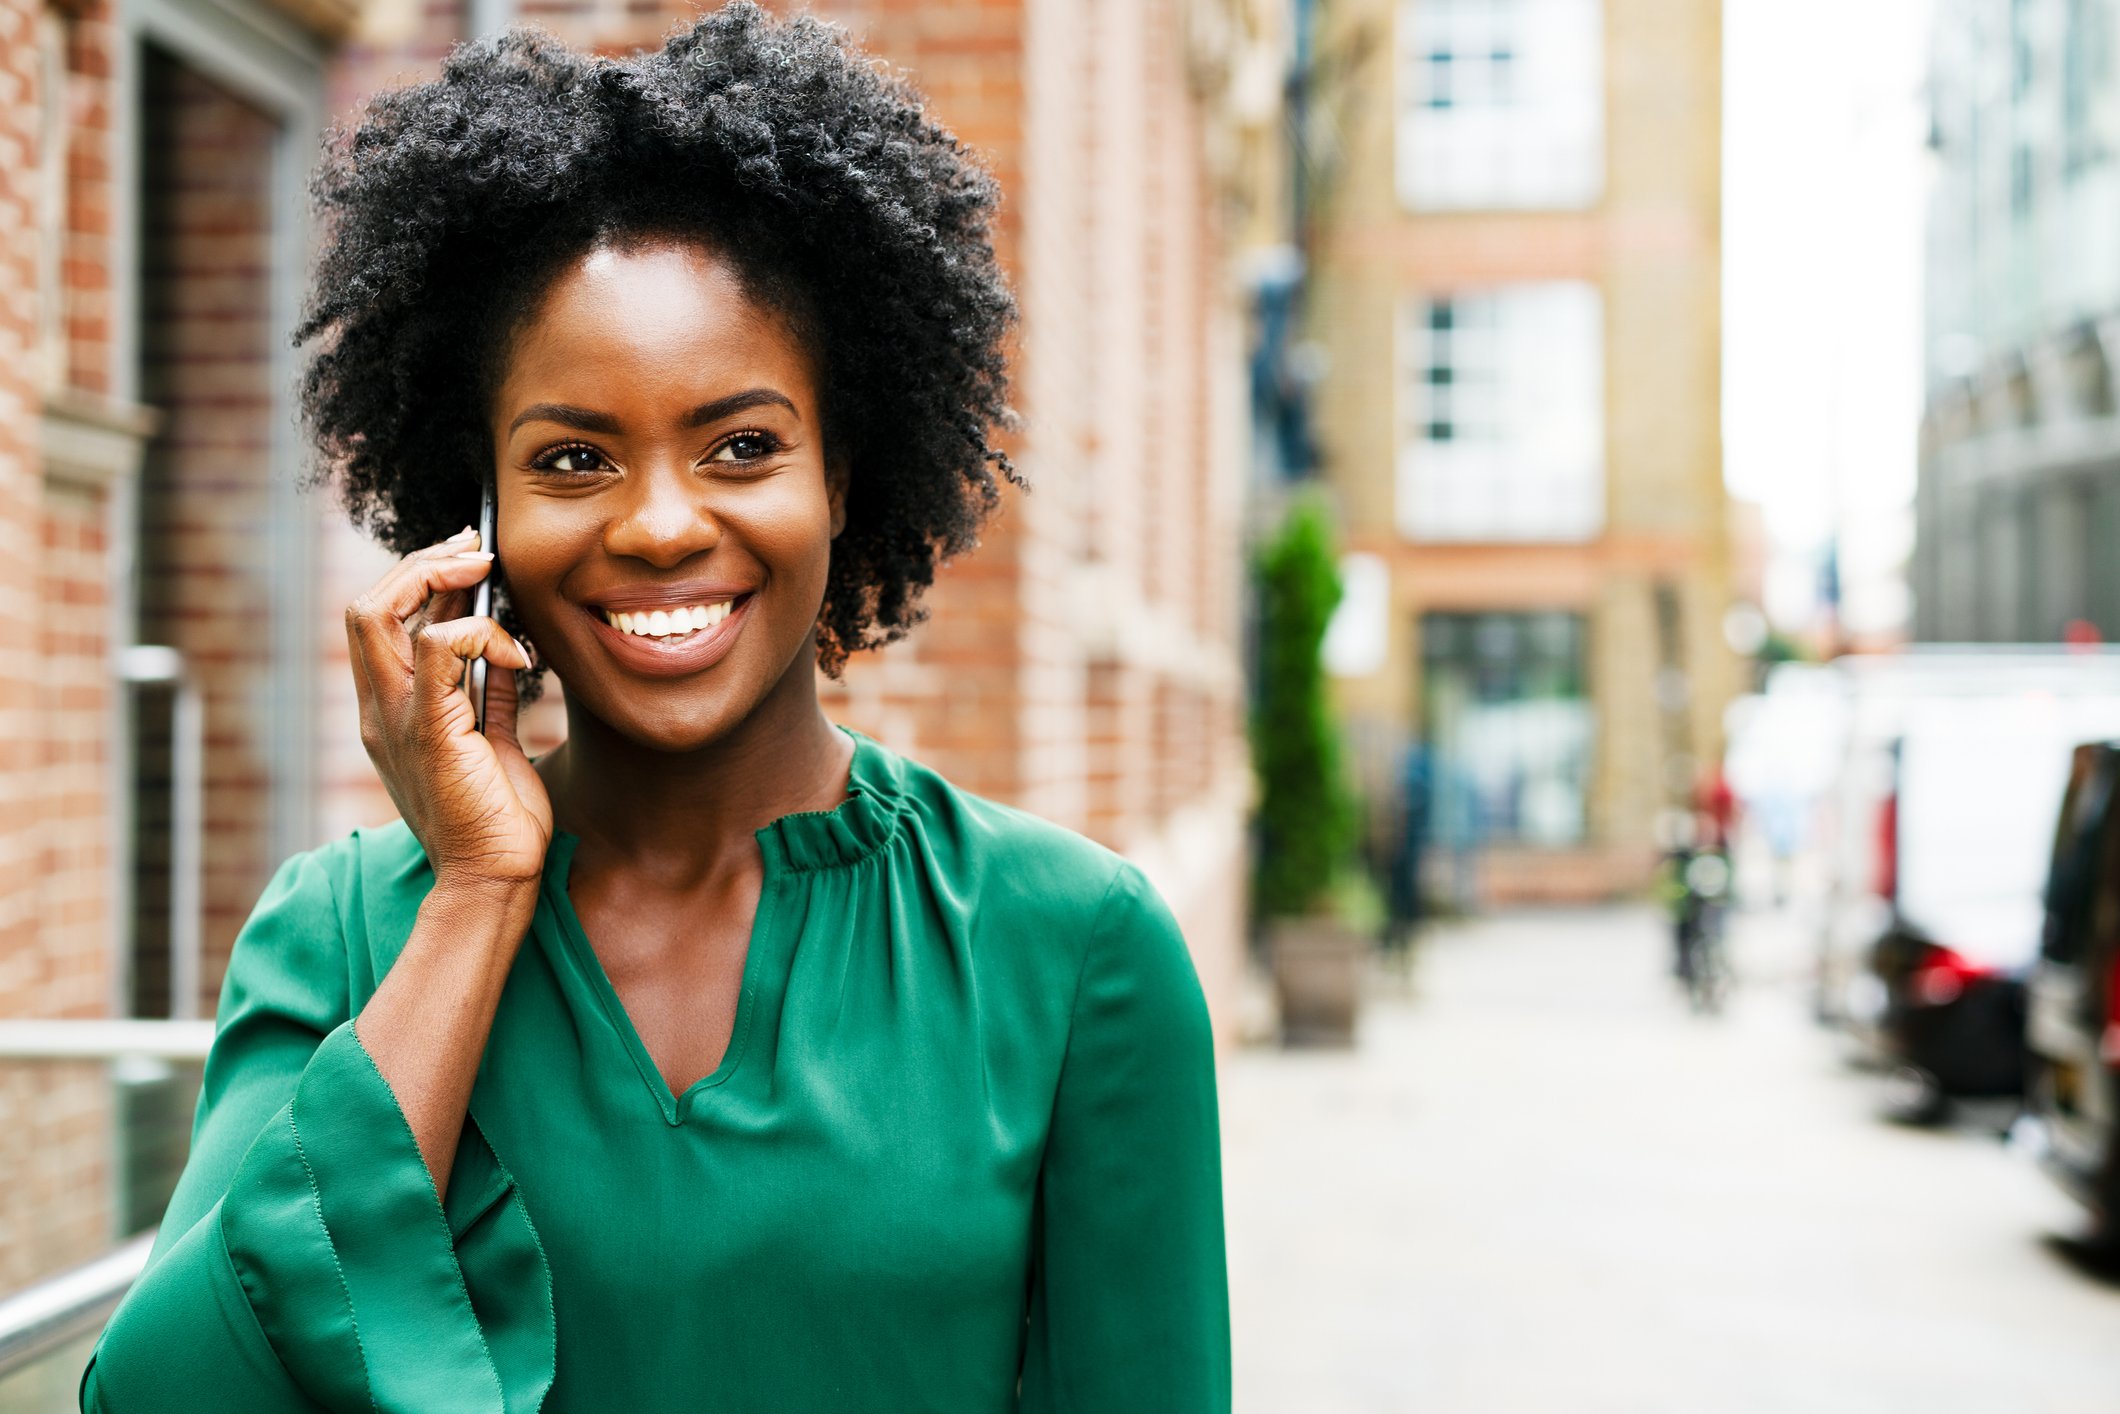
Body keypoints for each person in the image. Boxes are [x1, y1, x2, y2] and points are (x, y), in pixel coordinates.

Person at [80, 10, 1230, 1411]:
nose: (662, 523)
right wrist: (480, 891)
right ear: (479, 512)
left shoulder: (1071, 953)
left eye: (742, 445)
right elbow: (164, 1396)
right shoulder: (347, 934)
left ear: (844, 477)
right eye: (574, 457)